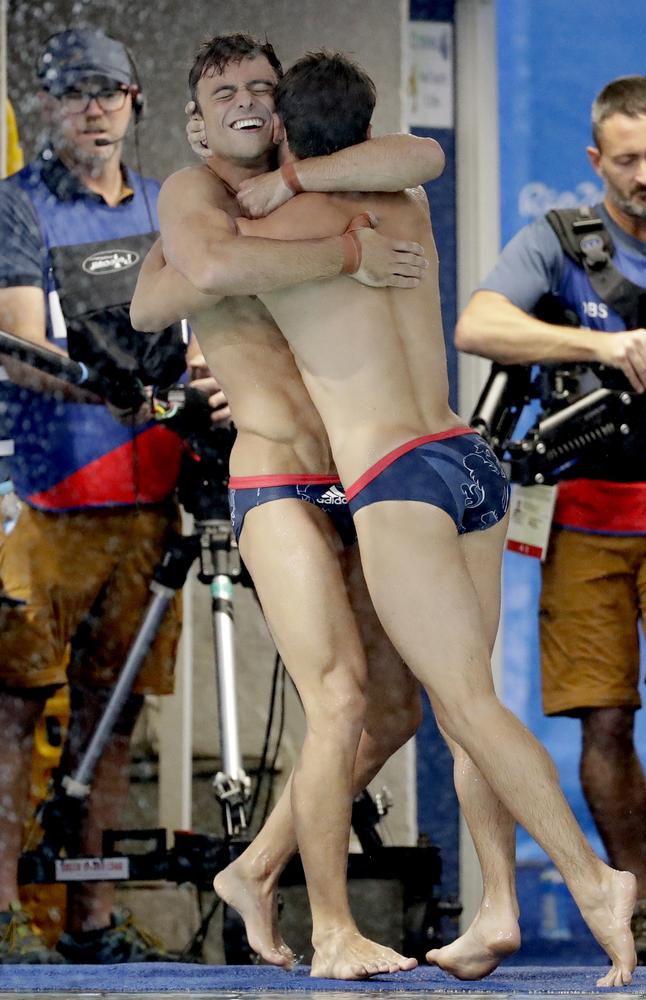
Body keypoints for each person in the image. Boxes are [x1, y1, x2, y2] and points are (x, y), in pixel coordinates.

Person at [150, 50, 638, 988]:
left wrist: (275, 200)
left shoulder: (275, 223)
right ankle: (496, 906)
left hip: (393, 477)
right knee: (463, 707)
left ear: (285, 128)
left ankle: (589, 879)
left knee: (463, 706)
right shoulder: (398, 204)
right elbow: (416, 159)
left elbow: (178, 284)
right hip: (470, 458)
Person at [130, 32, 492, 981]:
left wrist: (306, 195)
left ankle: (252, 870)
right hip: (277, 477)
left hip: (366, 479)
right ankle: (331, 928)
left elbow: (424, 156)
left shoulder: (311, 176)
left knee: (393, 710)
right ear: (195, 118)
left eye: (263, 86)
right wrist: (344, 254)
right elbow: (187, 283)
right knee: (334, 700)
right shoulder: (191, 194)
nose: (248, 100)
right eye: (225, 90)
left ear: (284, 109)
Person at [0, 28, 227, 964]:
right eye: (73, 92)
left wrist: (207, 379)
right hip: (46, 500)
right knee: (14, 714)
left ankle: (91, 920)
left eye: (109, 92)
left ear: (135, 102)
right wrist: (130, 386)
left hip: (147, 502)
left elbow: (201, 331)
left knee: (114, 716)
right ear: (47, 106)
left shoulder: (167, 211)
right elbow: (20, 343)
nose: (93, 107)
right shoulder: (17, 206)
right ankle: (8, 914)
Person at [455, 74, 646, 963]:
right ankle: (638, 903)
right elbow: (479, 325)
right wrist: (600, 343)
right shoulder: (561, 241)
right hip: (583, 516)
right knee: (601, 717)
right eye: (628, 159)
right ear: (594, 161)